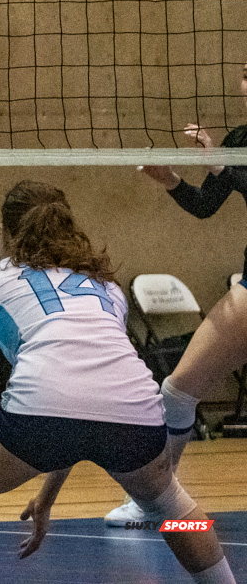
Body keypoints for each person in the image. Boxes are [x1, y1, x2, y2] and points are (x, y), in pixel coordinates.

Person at [0, 181, 236, 584]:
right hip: (138, 412)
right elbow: (86, 401)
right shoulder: (108, 286)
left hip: (38, 412)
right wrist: (48, 493)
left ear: (4, 233)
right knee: (173, 507)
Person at [105, 90, 247, 524]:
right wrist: (170, 180)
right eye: (244, 74)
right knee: (179, 390)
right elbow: (206, 206)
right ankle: (155, 502)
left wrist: (222, 165)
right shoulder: (239, 137)